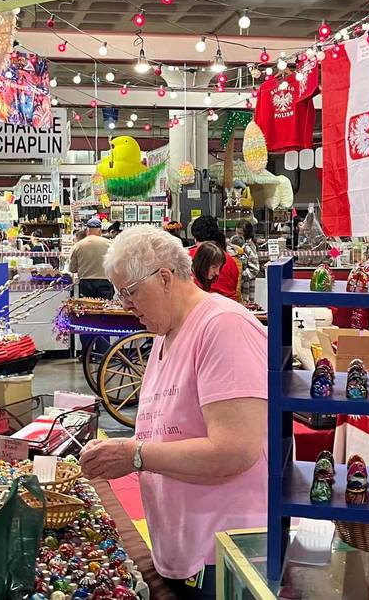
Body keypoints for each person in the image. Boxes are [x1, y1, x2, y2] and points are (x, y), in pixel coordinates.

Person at [81, 226, 267, 598]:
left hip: (222, 555)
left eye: (130, 292)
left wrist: (135, 455)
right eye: (120, 294)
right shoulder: (167, 333)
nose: (125, 305)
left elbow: (235, 449)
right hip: (185, 552)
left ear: (165, 278)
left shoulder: (223, 326)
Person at [189, 215, 241, 301]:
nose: (217, 272)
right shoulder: (231, 261)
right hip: (228, 305)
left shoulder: (186, 257)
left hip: (199, 305)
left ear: (195, 237)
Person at [69, 217, 114, 299]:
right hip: (104, 284)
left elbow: (72, 269)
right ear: (100, 231)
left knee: (86, 306)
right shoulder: (110, 244)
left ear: (87, 231)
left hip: (85, 285)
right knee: (104, 306)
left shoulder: (78, 246)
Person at [230, 220, 261, 303]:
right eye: (236, 232)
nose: (237, 235)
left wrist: (240, 276)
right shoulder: (234, 243)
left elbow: (255, 269)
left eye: (240, 233)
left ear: (247, 234)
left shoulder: (249, 247)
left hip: (245, 290)